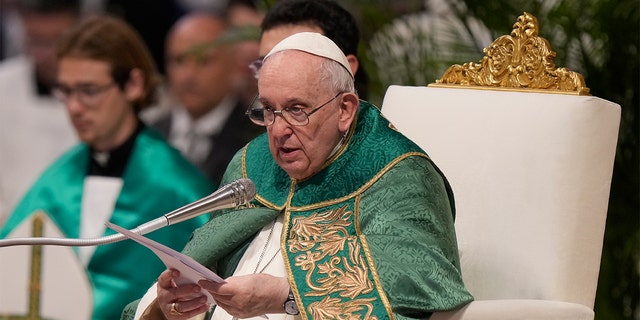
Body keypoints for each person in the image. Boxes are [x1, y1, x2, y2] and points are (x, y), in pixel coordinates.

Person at [123, 32, 472, 320]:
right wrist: (174, 307)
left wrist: (287, 297)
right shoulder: (251, 164)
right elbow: (207, 271)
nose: (278, 131)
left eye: (296, 110)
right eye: (268, 111)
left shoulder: (398, 175)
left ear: (345, 110)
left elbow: (414, 290)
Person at [0, 15, 214, 320]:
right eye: (66, 91)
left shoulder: (177, 186)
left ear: (133, 85)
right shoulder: (57, 180)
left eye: (88, 90)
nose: (73, 107)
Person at [150, 12, 263, 186]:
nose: (189, 75)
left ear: (234, 65)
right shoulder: (150, 136)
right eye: (179, 60)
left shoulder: (256, 140)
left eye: (204, 61)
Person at [0, 0, 81, 226]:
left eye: (59, 40)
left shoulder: (106, 93)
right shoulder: (3, 88)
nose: (49, 53)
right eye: (37, 41)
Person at [257, 0, 369, 100]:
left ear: (346, 69)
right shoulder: (249, 120)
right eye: (265, 64)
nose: (273, 75)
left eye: (294, 62)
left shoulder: (381, 121)